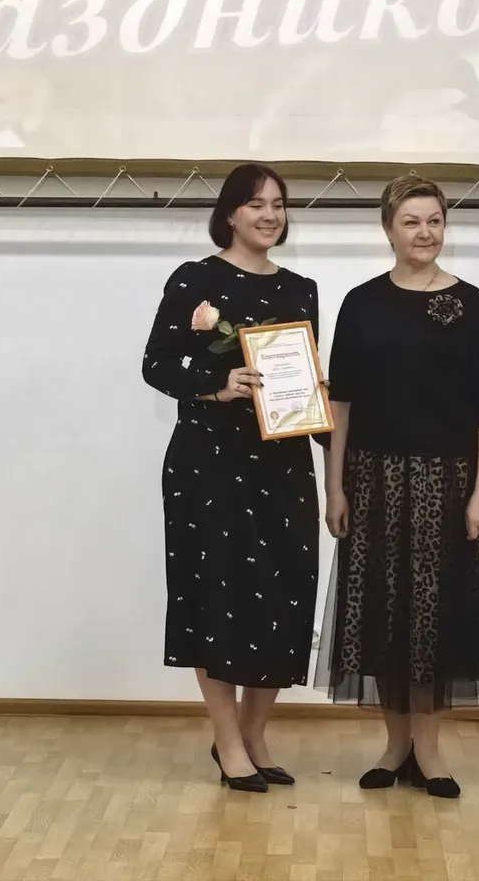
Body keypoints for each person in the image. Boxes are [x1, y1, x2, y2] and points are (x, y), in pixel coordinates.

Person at [315, 175, 479, 799]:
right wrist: (335, 488)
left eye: (434, 221)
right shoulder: (361, 303)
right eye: (411, 221)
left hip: (448, 484)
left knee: (434, 616)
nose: (424, 232)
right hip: (372, 481)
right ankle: (393, 745)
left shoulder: (472, 304)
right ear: (388, 229)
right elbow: (340, 404)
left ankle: (429, 752)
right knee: (381, 613)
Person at [142, 163, 320, 792]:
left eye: (278, 204)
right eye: (255, 204)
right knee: (214, 597)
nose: (269, 215)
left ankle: (254, 732)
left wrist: (316, 396)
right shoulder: (194, 279)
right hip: (208, 464)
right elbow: (156, 364)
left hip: (284, 462)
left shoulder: (302, 289)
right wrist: (217, 384)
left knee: (284, 594)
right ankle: (226, 739)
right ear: (229, 213)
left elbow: (302, 376)